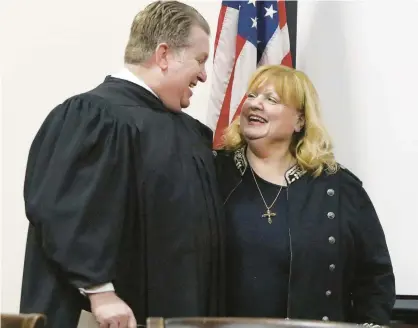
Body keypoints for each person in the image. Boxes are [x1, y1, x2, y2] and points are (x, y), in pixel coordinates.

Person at [20, 2, 225, 328]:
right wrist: (101, 293)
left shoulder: (188, 133)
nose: (203, 74)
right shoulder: (96, 116)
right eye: (200, 61)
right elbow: (66, 213)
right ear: (164, 55)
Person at [214, 65, 395, 326]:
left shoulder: (337, 187)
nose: (255, 105)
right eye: (252, 96)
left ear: (300, 120)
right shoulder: (214, 173)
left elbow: (375, 276)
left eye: (271, 99)